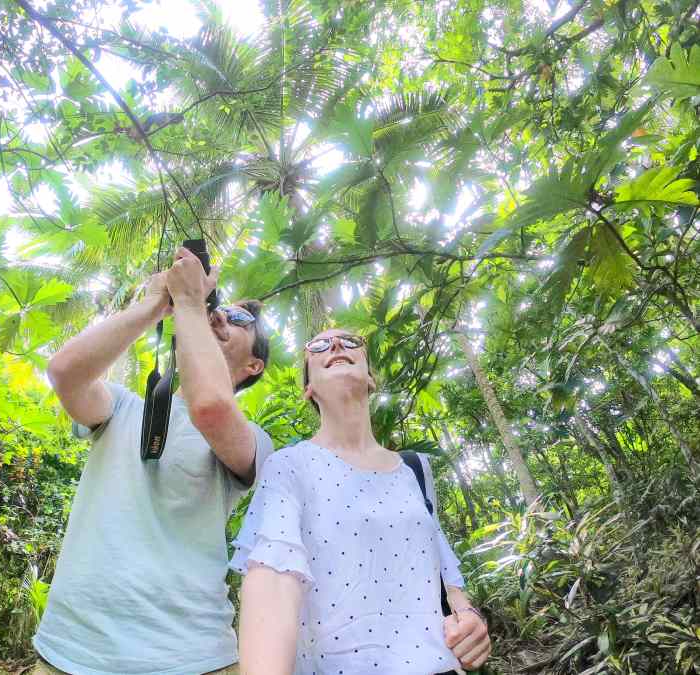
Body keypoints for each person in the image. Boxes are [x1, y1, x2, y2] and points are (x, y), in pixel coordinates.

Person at [33, 247, 274, 675]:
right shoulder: (123, 407)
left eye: (238, 320)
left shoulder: (255, 441)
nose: (220, 317)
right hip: (71, 653)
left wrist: (190, 304)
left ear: (254, 365)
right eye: (221, 310)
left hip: (190, 658)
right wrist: (155, 306)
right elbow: (64, 372)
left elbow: (211, 408)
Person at [230, 329, 491, 674]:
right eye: (319, 346)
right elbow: (274, 581)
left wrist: (469, 619)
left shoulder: (415, 469)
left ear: (370, 377)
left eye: (351, 341)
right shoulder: (289, 465)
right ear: (309, 388)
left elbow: (443, 570)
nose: (336, 345)